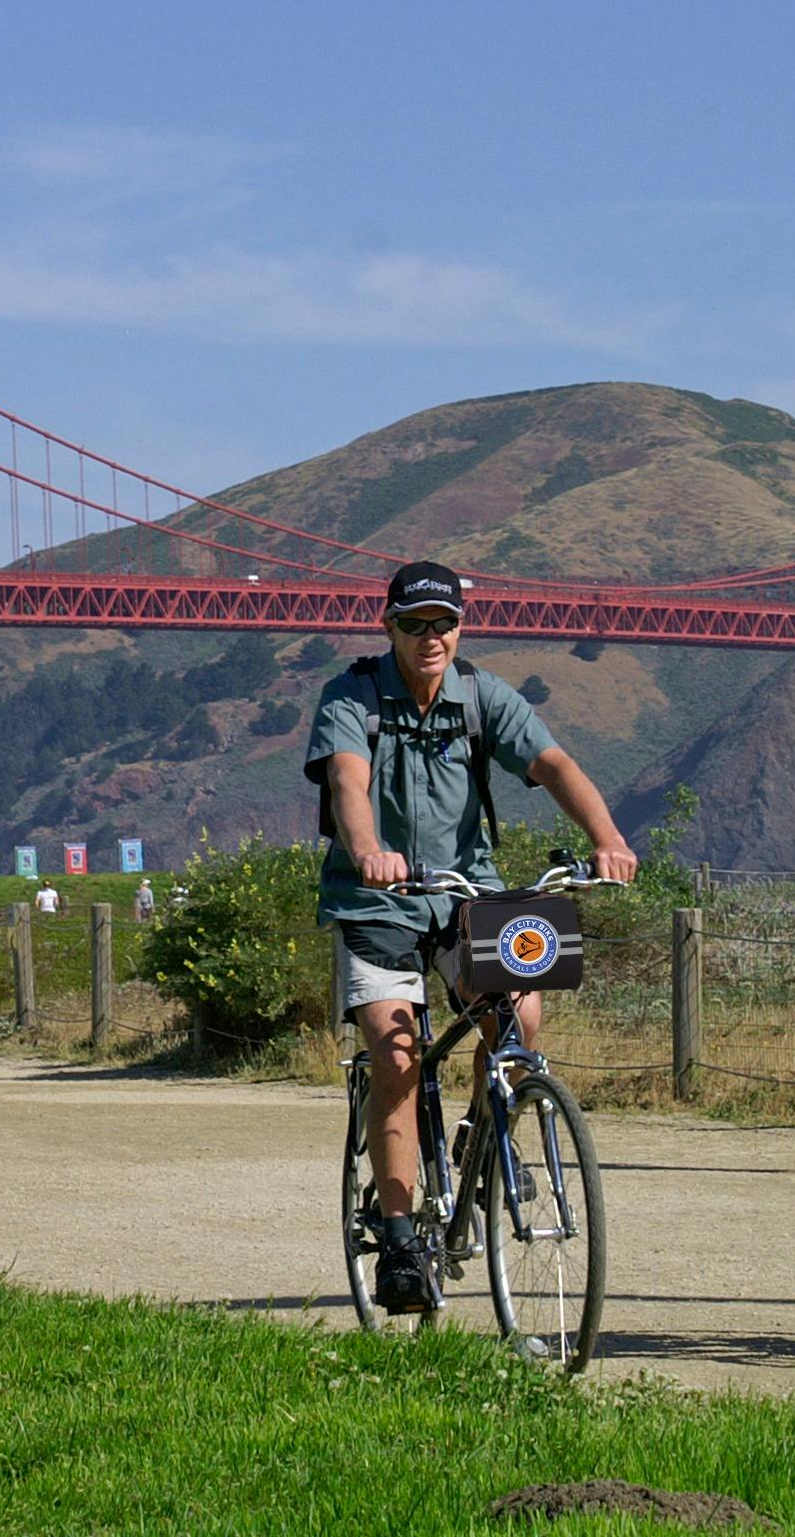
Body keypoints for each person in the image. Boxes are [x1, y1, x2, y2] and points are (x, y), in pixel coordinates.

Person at [306, 558, 637, 1315]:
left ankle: (491, 1127)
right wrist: (366, 852)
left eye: (444, 623)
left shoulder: (483, 698)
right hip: (377, 901)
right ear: (387, 625)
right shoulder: (351, 696)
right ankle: (395, 1236)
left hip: (464, 890)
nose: (431, 637)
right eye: (414, 624)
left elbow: (552, 764)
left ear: (461, 626)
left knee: (519, 1015)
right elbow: (347, 783)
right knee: (395, 1053)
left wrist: (607, 838)